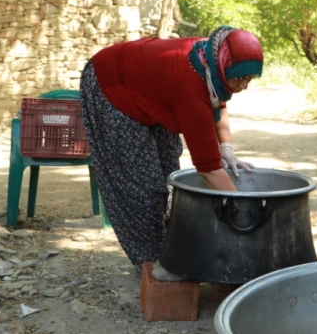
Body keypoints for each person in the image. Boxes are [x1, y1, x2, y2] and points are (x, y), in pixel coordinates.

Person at [79, 26, 263, 281]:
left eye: (250, 78)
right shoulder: (191, 87)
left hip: (152, 86)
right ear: (222, 68)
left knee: (169, 169)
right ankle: (152, 261)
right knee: (142, 185)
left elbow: (217, 103)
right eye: (238, 77)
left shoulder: (210, 58)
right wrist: (244, 215)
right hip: (111, 83)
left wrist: (227, 148)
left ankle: (169, 245)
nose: (243, 85)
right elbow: (208, 168)